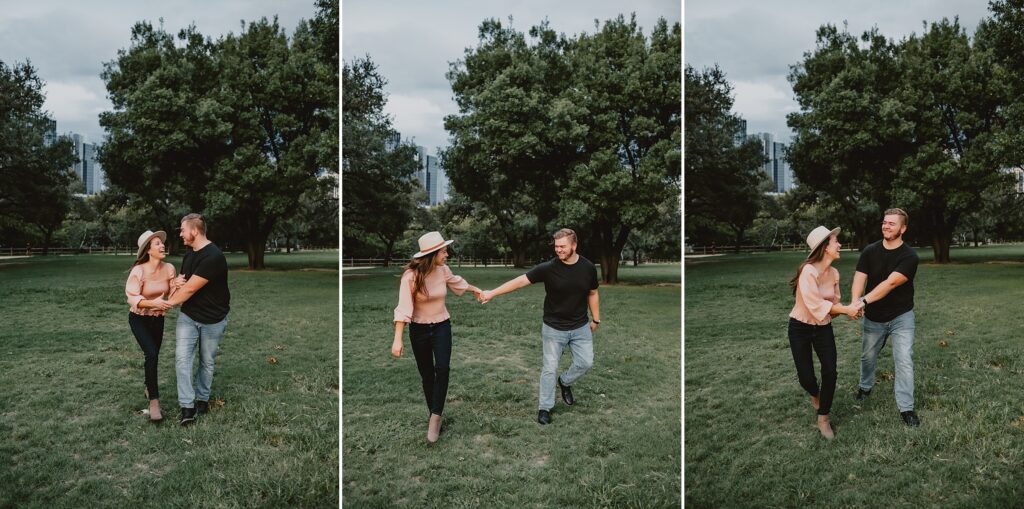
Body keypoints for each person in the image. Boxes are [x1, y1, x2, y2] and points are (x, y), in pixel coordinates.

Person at [479, 228, 600, 425]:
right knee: (549, 368)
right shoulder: (548, 268)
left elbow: (592, 293)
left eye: (563, 246)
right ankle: (545, 407)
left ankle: (565, 382)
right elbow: (519, 282)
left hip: (580, 326)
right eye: (556, 246)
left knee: (586, 363)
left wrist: (595, 319)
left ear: (574, 246)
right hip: (553, 328)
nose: (558, 250)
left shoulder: (588, 267)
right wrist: (492, 293)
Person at [392, 231, 482, 443]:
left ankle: (435, 417)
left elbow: (458, 283)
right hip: (419, 330)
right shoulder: (411, 277)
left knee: (442, 368)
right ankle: (434, 409)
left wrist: (475, 289)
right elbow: (403, 308)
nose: (447, 254)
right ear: (432, 254)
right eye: (444, 251)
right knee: (427, 374)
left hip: (442, 325)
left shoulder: (443, 270)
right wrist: (398, 339)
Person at [788, 226, 863, 439]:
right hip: (799, 327)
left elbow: (833, 306)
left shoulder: (834, 273)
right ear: (824, 248)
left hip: (823, 328)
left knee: (830, 371)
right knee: (807, 378)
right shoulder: (808, 272)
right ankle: (814, 394)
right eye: (835, 241)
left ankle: (823, 417)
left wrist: (850, 311)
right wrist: (846, 309)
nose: (839, 245)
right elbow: (815, 305)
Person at [156, 213, 231, 426]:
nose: (180, 234)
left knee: (206, 361)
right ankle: (187, 408)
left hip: (213, 319)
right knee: (182, 359)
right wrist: (175, 284)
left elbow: (190, 289)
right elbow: (184, 283)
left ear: (194, 231)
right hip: (189, 316)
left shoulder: (213, 256)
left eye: (182, 230)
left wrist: (166, 305)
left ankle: (202, 399)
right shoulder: (189, 254)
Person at [849, 208, 921, 427]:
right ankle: (865, 387)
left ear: (903, 228)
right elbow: (860, 278)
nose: (886, 226)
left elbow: (890, 283)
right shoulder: (870, 251)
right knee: (867, 358)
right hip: (874, 318)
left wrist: (863, 301)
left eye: (892, 223)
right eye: (884, 222)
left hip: (902, 317)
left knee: (904, 361)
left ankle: (906, 408)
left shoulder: (909, 256)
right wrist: (854, 302)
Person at [125, 230, 177, 423]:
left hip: (158, 319)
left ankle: (148, 386)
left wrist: (177, 286)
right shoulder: (138, 271)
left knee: (153, 356)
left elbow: (172, 296)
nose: (162, 245)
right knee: (152, 354)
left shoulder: (169, 268)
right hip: (139, 319)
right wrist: (154, 303)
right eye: (156, 243)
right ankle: (154, 402)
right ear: (148, 250)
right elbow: (132, 297)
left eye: (162, 243)